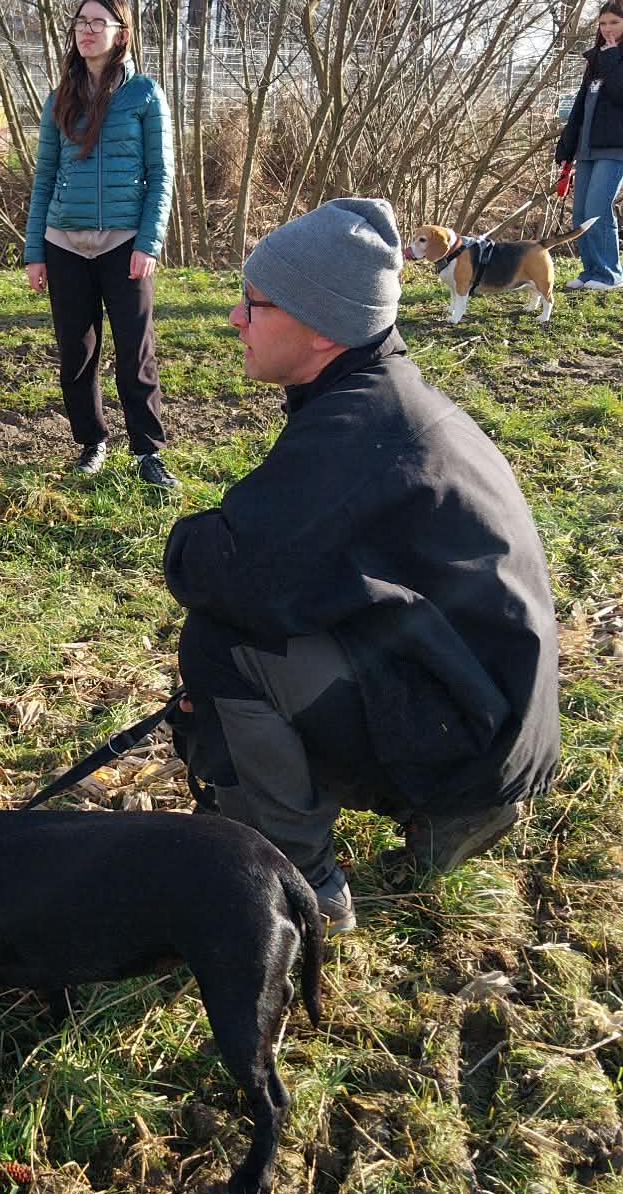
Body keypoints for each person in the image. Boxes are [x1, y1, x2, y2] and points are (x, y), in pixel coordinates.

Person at [163, 197, 560, 934]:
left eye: (253, 305)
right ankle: (435, 808)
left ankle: (302, 883)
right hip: (488, 717)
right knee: (263, 622)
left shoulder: (362, 429)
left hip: (473, 740)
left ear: (320, 328)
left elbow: (217, 567)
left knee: (221, 643)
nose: (234, 320)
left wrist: (202, 542)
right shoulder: (386, 398)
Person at [23, 0, 178, 490]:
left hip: (124, 242)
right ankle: (91, 442)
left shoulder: (145, 94)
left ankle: (147, 453)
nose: (86, 30)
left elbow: (161, 175)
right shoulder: (60, 97)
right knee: (77, 352)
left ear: (120, 34)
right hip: (63, 243)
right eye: (81, 22)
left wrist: (148, 243)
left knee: (135, 350)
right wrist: (34, 251)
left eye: (99, 22)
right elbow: (44, 177)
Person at [554, 0, 623, 291]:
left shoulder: (609, 58)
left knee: (598, 207)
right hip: (586, 147)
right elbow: (580, 107)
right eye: (603, 23)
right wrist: (566, 146)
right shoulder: (595, 59)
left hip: (615, 148)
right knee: (581, 211)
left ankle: (610, 275)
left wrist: (611, 57)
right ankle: (590, 271)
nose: (607, 29)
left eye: (614, 23)